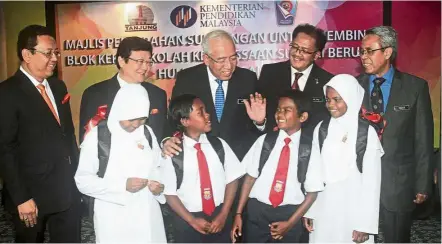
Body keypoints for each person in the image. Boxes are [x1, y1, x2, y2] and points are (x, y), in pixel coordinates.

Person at [0, 25, 81, 242]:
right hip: (31, 196)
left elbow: (67, 134)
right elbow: (5, 150)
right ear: (27, 55)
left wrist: (78, 175)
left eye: (56, 53)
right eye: (48, 53)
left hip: (66, 189)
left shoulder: (58, 86)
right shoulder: (7, 93)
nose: (54, 58)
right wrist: (21, 198)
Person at [357, 26, 434, 242]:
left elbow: (423, 140)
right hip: (358, 183)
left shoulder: (415, 87)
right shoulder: (353, 87)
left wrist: (423, 184)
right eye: (361, 51)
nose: (363, 57)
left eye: (369, 51)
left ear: (388, 52)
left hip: (399, 183)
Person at [75, 84, 167, 243]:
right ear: (119, 111)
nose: (137, 124)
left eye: (142, 119)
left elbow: (158, 166)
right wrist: (122, 186)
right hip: (113, 216)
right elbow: (82, 180)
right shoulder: (98, 137)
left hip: (148, 215)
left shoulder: (147, 133)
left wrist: (158, 187)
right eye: (132, 119)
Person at [231, 90, 324, 243]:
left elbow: (312, 193)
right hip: (257, 213)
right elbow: (249, 178)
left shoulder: (309, 149)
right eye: (278, 109)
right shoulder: (264, 141)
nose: (279, 114)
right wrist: (238, 214)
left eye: (287, 110)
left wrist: (290, 223)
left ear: (303, 117)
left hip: (289, 214)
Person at [162, 29, 266, 161]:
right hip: (200, 159)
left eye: (233, 58)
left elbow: (257, 126)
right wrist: (167, 140)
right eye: (221, 60)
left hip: (240, 159)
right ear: (206, 59)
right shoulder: (187, 79)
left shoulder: (248, 79)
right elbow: (173, 118)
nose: (229, 66)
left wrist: (259, 122)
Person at [303, 74, 383, 242]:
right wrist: (310, 210)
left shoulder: (366, 132)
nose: (331, 105)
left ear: (351, 98)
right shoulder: (322, 128)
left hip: (354, 210)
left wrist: (365, 225)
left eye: (337, 99)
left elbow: (372, 183)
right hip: (325, 208)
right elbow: (314, 173)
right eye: (328, 99)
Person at [161, 94, 245, 243]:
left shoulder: (219, 145)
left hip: (219, 216)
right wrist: (192, 220)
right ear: (185, 121)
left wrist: (224, 214)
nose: (207, 115)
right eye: (200, 112)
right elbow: (169, 193)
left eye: (206, 110)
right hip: (187, 220)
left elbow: (232, 180)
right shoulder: (174, 152)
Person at [79, 36, 167, 143]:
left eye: (148, 62)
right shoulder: (94, 94)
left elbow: (163, 133)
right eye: (140, 61)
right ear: (121, 61)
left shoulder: (158, 94)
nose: (145, 67)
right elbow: (87, 140)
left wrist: (166, 141)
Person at [258, 23, 333, 131]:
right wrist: (260, 123)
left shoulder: (328, 81)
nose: (297, 54)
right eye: (295, 47)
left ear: (316, 55)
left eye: (304, 50)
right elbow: (260, 116)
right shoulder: (270, 73)